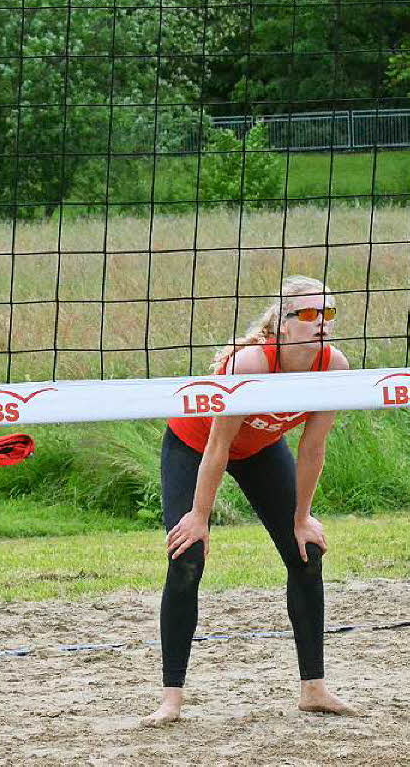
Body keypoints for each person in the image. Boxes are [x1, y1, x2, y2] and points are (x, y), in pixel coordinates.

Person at [142, 275, 357, 727]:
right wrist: (199, 517)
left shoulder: (333, 366)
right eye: (307, 314)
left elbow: (312, 450)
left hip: (259, 448)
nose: (320, 323)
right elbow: (217, 446)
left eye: (328, 314)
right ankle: (171, 699)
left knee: (307, 550)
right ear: (280, 323)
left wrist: (301, 518)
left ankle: (313, 689)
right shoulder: (251, 365)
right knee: (187, 556)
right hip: (194, 444)